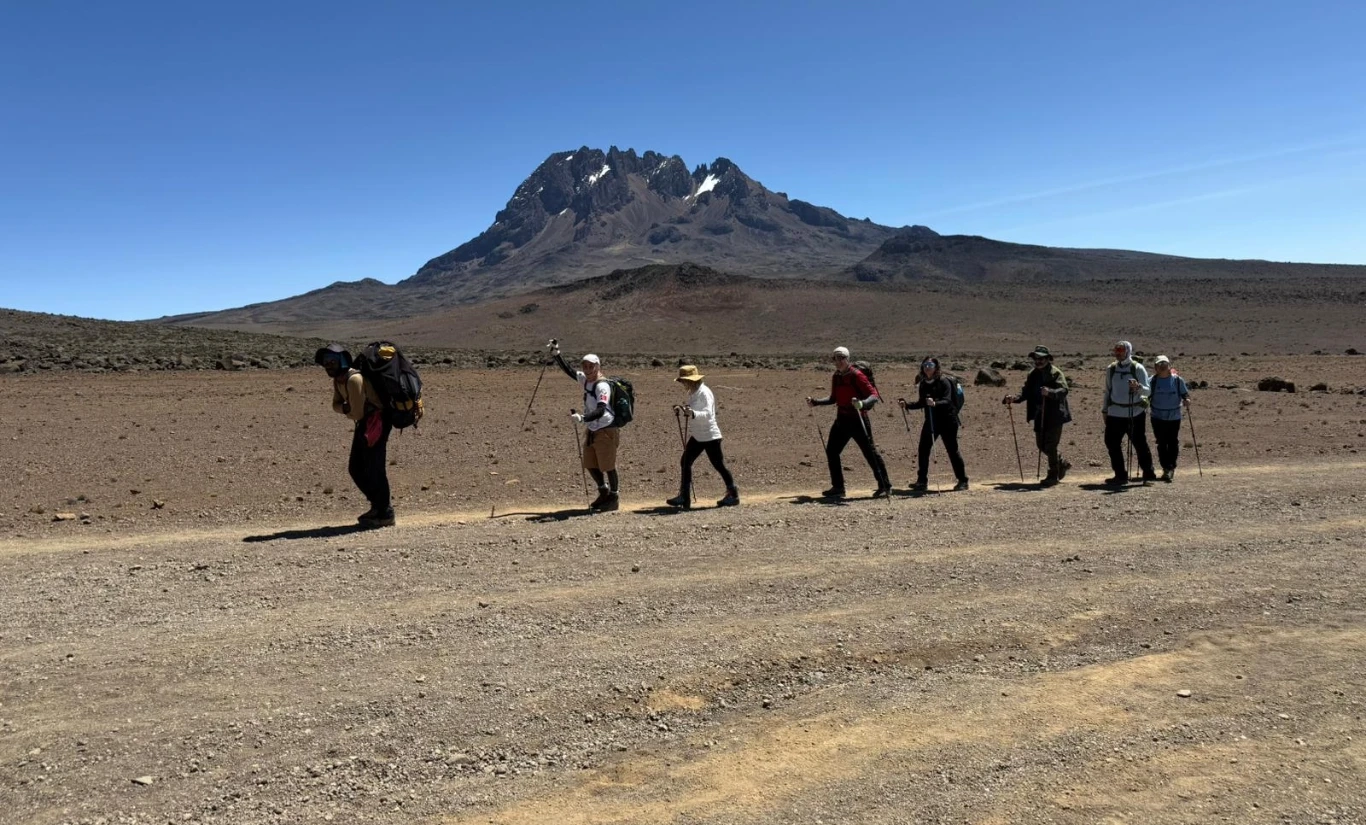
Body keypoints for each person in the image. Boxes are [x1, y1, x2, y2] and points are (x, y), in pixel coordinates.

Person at [316, 343, 394, 528]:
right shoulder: (339, 380)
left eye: (332, 361)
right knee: (356, 468)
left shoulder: (353, 380)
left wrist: (345, 409)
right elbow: (336, 404)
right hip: (364, 424)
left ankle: (385, 512)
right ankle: (378, 507)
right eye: (326, 362)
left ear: (342, 360)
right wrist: (346, 408)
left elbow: (355, 412)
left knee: (375, 468)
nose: (328, 365)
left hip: (376, 422)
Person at [806, 346, 892, 499]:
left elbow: (873, 394)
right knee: (832, 451)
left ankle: (885, 485)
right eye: (835, 358)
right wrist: (816, 402)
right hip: (842, 419)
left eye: (841, 358)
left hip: (858, 419)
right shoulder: (836, 377)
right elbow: (833, 399)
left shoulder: (857, 375)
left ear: (847, 358)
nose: (838, 361)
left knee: (870, 452)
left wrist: (862, 404)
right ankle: (838, 487)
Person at [550, 343, 620, 511]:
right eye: (585, 366)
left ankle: (614, 496)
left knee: (608, 464)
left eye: (591, 366)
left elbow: (602, 410)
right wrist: (557, 354)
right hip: (592, 428)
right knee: (590, 462)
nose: (587, 369)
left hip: (606, 428)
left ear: (598, 367)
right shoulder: (586, 381)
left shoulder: (602, 386)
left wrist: (582, 418)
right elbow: (569, 371)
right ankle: (603, 491)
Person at [667, 365, 739, 509]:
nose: (683, 384)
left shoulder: (704, 393)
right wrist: (682, 409)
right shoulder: (694, 392)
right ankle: (684, 497)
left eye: (684, 381)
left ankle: (733, 494)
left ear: (691, 380)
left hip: (710, 435)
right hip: (699, 435)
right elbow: (694, 410)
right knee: (685, 462)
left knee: (718, 465)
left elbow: (707, 414)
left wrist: (692, 413)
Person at [1003, 345, 1072, 487]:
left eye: (1041, 358)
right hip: (1039, 413)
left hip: (1054, 414)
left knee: (1051, 445)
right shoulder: (1033, 374)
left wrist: (1050, 392)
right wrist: (1014, 399)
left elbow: (1064, 390)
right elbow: (1026, 392)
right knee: (1041, 445)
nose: (1038, 361)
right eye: (1036, 358)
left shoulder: (1055, 373)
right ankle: (1061, 463)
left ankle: (1053, 476)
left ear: (1048, 359)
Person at [898, 356, 968, 491]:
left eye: (930, 365)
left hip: (948, 420)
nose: (927, 367)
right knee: (923, 449)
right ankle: (922, 481)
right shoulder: (923, 384)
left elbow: (948, 401)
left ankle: (963, 480)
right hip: (931, 421)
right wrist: (907, 405)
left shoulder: (944, 381)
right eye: (925, 365)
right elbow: (921, 403)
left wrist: (935, 403)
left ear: (936, 367)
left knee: (952, 450)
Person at [1102, 340, 1157, 485]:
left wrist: (1137, 387)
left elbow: (1148, 390)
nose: (1118, 354)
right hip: (1115, 412)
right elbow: (1108, 391)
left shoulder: (1138, 368)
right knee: (1111, 443)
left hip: (1135, 412)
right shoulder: (1111, 369)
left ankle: (1148, 472)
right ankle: (1120, 475)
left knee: (1139, 443)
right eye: (1116, 351)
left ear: (1128, 351)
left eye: (1121, 351)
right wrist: (1105, 410)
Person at [1147, 355, 1191, 482]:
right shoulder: (1152, 381)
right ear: (1155, 367)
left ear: (1169, 366)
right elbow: (1146, 396)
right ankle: (1167, 467)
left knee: (1172, 442)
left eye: (1165, 365)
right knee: (1161, 442)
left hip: (1174, 416)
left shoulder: (1177, 380)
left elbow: (1185, 394)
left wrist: (1187, 400)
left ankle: (1170, 467)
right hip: (1157, 417)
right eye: (1160, 365)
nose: (1162, 367)